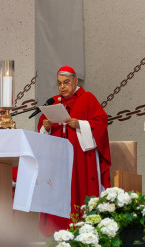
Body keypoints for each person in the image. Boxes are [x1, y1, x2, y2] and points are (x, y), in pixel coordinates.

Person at [38, 65, 111, 236]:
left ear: (75, 81)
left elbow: (101, 124)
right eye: (59, 83)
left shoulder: (87, 98)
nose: (62, 87)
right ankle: (58, 232)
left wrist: (80, 124)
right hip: (58, 161)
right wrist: (46, 126)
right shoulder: (54, 102)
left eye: (66, 82)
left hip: (81, 159)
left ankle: (83, 232)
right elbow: (43, 130)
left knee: (79, 192)